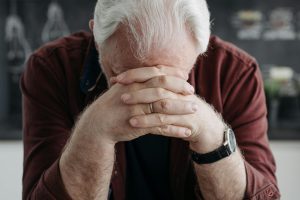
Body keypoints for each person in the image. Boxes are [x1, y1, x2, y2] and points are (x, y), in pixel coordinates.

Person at [21, 0, 280, 199]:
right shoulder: (51, 68)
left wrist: (213, 137)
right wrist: (93, 131)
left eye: (172, 78)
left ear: (199, 51)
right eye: (129, 77)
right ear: (98, 40)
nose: (152, 93)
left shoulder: (236, 72)